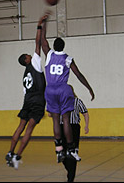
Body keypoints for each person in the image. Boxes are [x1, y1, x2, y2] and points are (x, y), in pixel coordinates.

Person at [41, 13, 95, 163]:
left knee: (55, 121)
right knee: (66, 120)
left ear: (54, 47)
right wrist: (89, 88)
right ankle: (71, 150)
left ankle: (59, 151)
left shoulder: (49, 54)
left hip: (50, 89)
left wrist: (44, 23)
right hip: (64, 89)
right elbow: (79, 75)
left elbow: (42, 41)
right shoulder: (68, 58)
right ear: (63, 47)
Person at [5, 14, 48, 170]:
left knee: (20, 127)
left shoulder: (25, 75)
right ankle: (17, 156)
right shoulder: (35, 63)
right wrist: (39, 24)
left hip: (27, 100)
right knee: (29, 129)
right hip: (37, 100)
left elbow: (25, 92)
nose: (31, 54)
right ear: (26, 60)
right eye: (28, 55)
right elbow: (37, 42)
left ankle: (10, 152)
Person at [61, 85, 90, 182]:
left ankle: (71, 177)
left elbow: (85, 112)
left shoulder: (77, 101)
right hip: (62, 127)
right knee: (62, 153)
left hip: (74, 128)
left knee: (72, 153)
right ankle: (70, 171)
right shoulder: (60, 101)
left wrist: (86, 125)